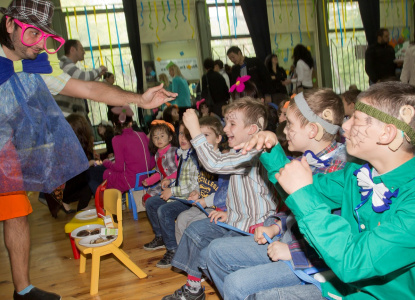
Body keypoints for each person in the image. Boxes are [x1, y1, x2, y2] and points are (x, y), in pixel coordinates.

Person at [0, 1, 176, 299]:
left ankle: (23, 289)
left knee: (16, 214)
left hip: (5, 149)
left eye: (46, 38)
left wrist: (139, 99)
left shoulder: (39, 61)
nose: (39, 45)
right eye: (32, 34)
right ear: (9, 24)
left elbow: (90, 89)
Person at [229, 81, 415, 299]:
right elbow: (302, 191)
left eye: (356, 119)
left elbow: (354, 261)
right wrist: (272, 151)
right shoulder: (357, 172)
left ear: (386, 134)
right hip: (342, 286)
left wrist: (302, 194)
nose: (344, 127)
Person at [204, 89, 347, 300]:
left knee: (237, 284)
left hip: (314, 261)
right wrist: (275, 225)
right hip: (286, 240)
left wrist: (294, 251)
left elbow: (333, 229)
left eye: (289, 123)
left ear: (312, 130)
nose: (284, 129)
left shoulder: (341, 168)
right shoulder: (306, 159)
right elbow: (291, 203)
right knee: (213, 252)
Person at [162, 98, 278, 300]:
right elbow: (240, 192)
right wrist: (228, 213)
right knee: (194, 230)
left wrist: (195, 130)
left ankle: (242, 293)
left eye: (232, 124)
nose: (225, 129)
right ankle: (193, 288)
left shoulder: (257, 153)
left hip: (254, 228)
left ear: (253, 129)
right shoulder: (237, 152)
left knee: (210, 252)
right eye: (226, 123)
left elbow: (214, 164)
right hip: (236, 220)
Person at [144, 122, 200, 268]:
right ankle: (160, 236)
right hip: (179, 194)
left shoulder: (194, 158)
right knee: (151, 203)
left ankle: (173, 249)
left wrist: (172, 190)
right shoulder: (182, 154)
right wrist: (169, 180)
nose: (183, 138)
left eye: (187, 135)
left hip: (189, 199)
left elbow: (191, 187)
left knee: (164, 210)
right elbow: (179, 177)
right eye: (181, 134)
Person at [174, 116, 226, 242]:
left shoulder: (223, 162)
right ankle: (183, 256)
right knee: (181, 219)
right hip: (201, 204)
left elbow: (224, 193)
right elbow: (200, 181)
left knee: (193, 224)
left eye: (206, 135)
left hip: (217, 207)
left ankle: (194, 257)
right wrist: (196, 192)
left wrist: (205, 201)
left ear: (218, 138)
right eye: (198, 136)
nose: (201, 140)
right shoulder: (200, 159)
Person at [102, 106, 155, 193]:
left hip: (132, 180)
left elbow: (119, 167)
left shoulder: (116, 139)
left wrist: (107, 163)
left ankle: (114, 202)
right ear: (131, 122)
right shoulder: (141, 135)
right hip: (146, 176)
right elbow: (152, 156)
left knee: (107, 173)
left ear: (114, 124)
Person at [54, 39, 107, 118]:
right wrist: (99, 69)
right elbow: (83, 77)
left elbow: (84, 84)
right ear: (72, 49)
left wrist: (98, 75)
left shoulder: (69, 67)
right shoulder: (64, 63)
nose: (84, 52)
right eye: (81, 49)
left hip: (70, 113)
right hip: (65, 114)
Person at [141, 120, 179, 203]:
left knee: (156, 200)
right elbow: (159, 174)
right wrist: (148, 181)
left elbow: (180, 170)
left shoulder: (175, 151)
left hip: (175, 183)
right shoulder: (157, 155)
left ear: (170, 137)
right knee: (147, 197)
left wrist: (168, 179)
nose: (159, 139)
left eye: (162, 136)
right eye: (155, 137)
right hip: (163, 184)